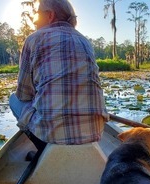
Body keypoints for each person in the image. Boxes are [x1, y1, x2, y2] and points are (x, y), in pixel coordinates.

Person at [9, 0, 108, 149]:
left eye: (37, 16)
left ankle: (43, 149)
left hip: (51, 137)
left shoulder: (34, 39)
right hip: (95, 133)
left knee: (13, 99)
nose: (35, 22)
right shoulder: (85, 41)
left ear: (50, 15)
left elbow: (23, 95)